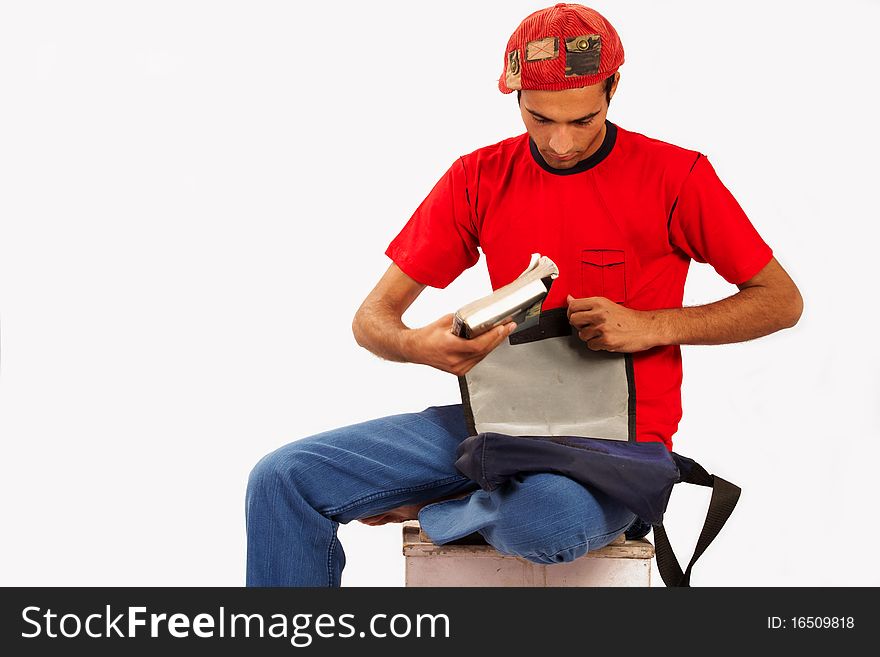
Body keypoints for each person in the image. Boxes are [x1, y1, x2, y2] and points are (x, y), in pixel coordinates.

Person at [245, 3, 803, 587]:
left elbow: (780, 300)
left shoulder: (677, 176)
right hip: (494, 429)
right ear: (515, 98)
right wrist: (416, 346)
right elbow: (371, 320)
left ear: (614, 87)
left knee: (542, 524)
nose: (561, 143)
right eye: (540, 119)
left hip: (612, 449)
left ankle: (440, 508)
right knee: (284, 478)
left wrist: (655, 325)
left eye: (582, 120)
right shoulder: (476, 177)